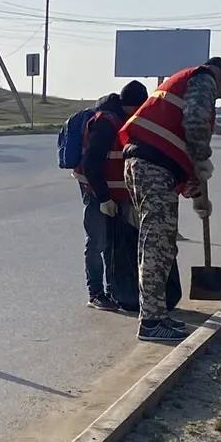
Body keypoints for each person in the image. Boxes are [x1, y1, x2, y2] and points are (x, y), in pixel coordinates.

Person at [118, 56, 221, 343]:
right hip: (152, 166)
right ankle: (152, 321)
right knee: (157, 245)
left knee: (158, 243)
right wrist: (202, 159)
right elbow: (195, 124)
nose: (215, 100)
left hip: (149, 165)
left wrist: (193, 187)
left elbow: (173, 142)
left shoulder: (181, 83)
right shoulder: (204, 77)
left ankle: (155, 315)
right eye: (220, 94)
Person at [80, 80, 147, 313]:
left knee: (111, 246)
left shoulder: (121, 120)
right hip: (98, 193)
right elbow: (91, 164)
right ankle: (96, 293)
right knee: (97, 244)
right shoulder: (106, 123)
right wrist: (104, 197)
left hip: (114, 195)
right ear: (132, 105)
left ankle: (113, 293)